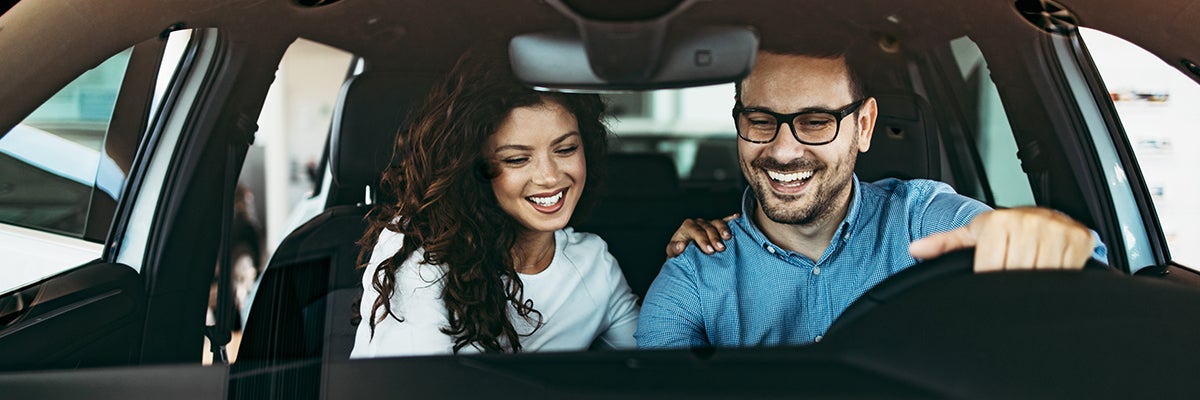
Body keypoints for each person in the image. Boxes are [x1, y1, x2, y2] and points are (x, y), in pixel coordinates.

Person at [635, 50, 1106, 348]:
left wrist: (1042, 242)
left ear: (863, 126)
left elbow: (1087, 283)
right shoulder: (695, 272)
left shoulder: (920, 218)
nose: (781, 150)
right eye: (760, 119)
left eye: (815, 121)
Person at [350, 56, 639, 357]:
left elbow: (657, 366)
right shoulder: (420, 252)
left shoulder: (594, 265)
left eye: (566, 149)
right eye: (517, 159)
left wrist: (684, 260)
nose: (550, 176)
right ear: (475, 168)